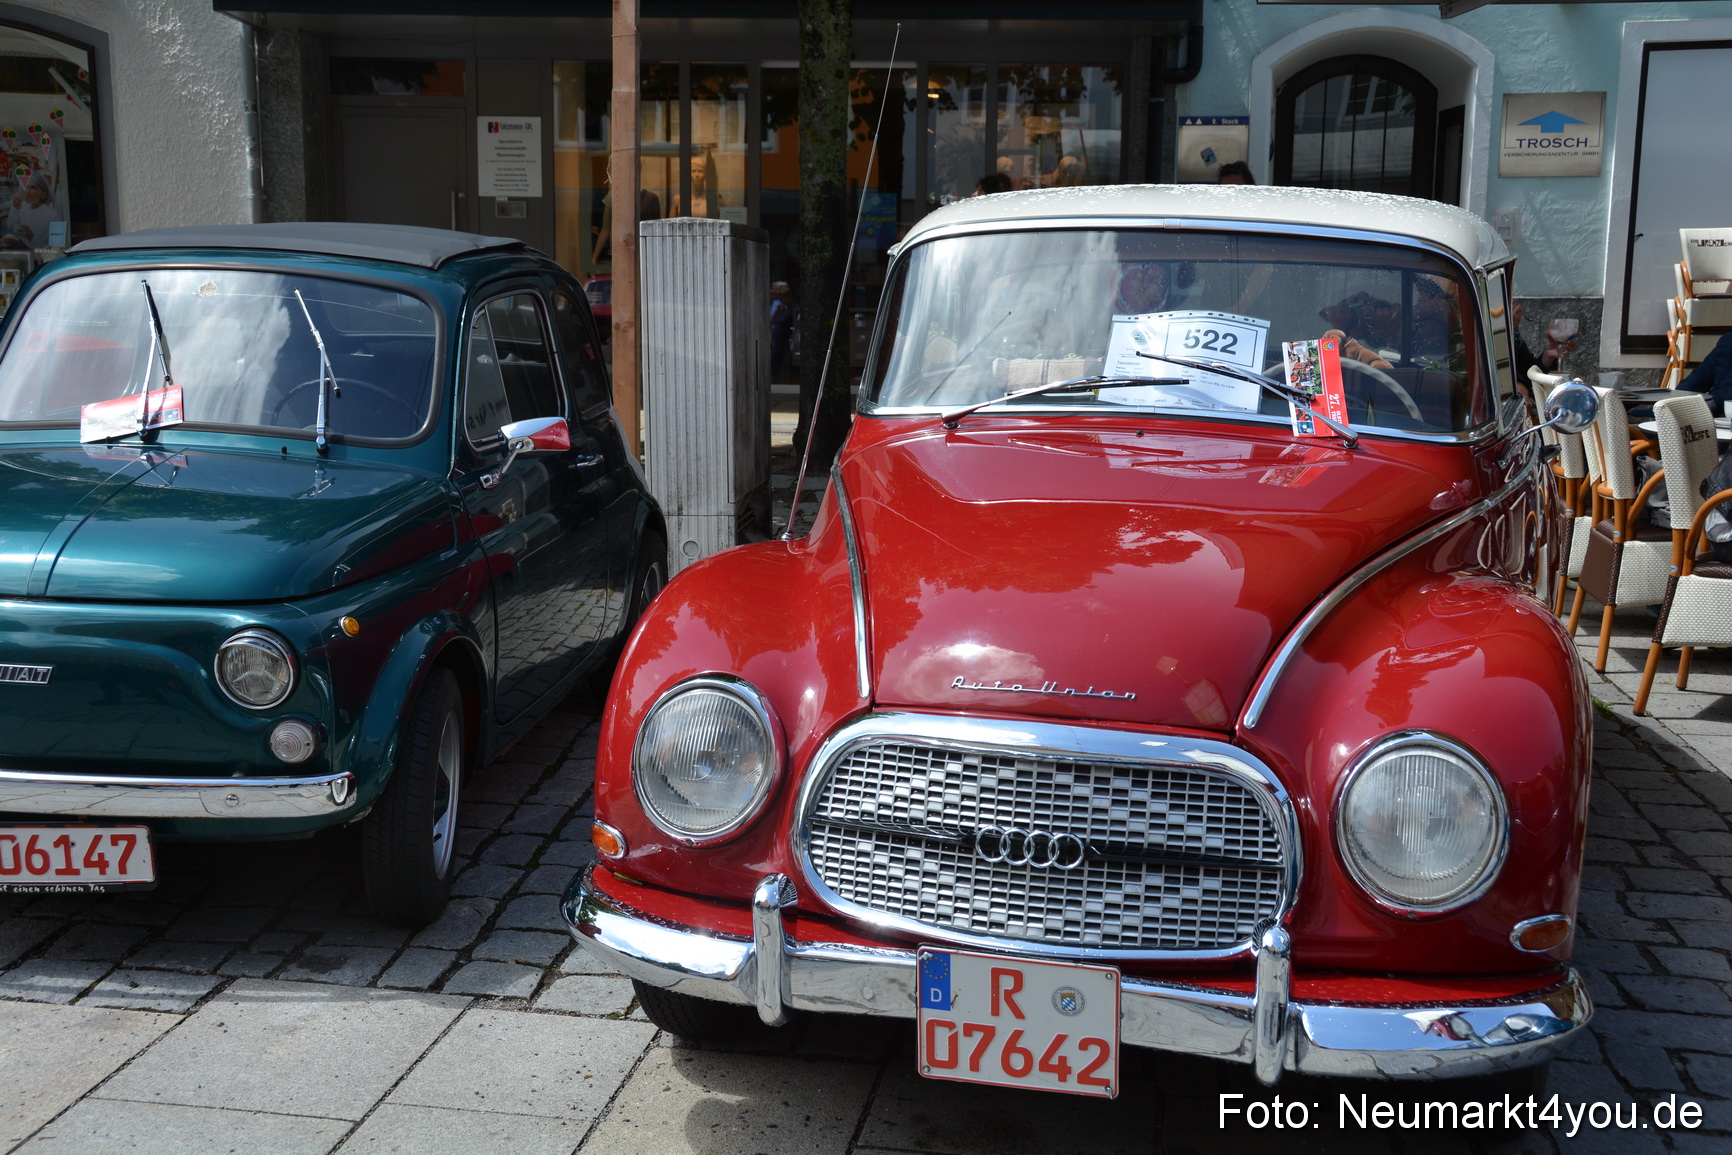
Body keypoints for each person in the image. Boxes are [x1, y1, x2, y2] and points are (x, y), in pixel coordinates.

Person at [1679, 334, 1732, 410]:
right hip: (1714, 409)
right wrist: (1679, 396)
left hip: (1718, 406)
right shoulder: (1728, 341)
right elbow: (1700, 377)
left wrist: (1712, 401)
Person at [769, 281, 796, 384]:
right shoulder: (781, 309)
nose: (782, 300)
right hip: (776, 339)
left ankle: (781, 381)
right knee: (774, 361)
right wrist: (776, 313)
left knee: (780, 361)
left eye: (784, 297)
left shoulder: (793, 308)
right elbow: (772, 322)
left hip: (785, 340)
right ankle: (775, 380)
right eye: (781, 298)